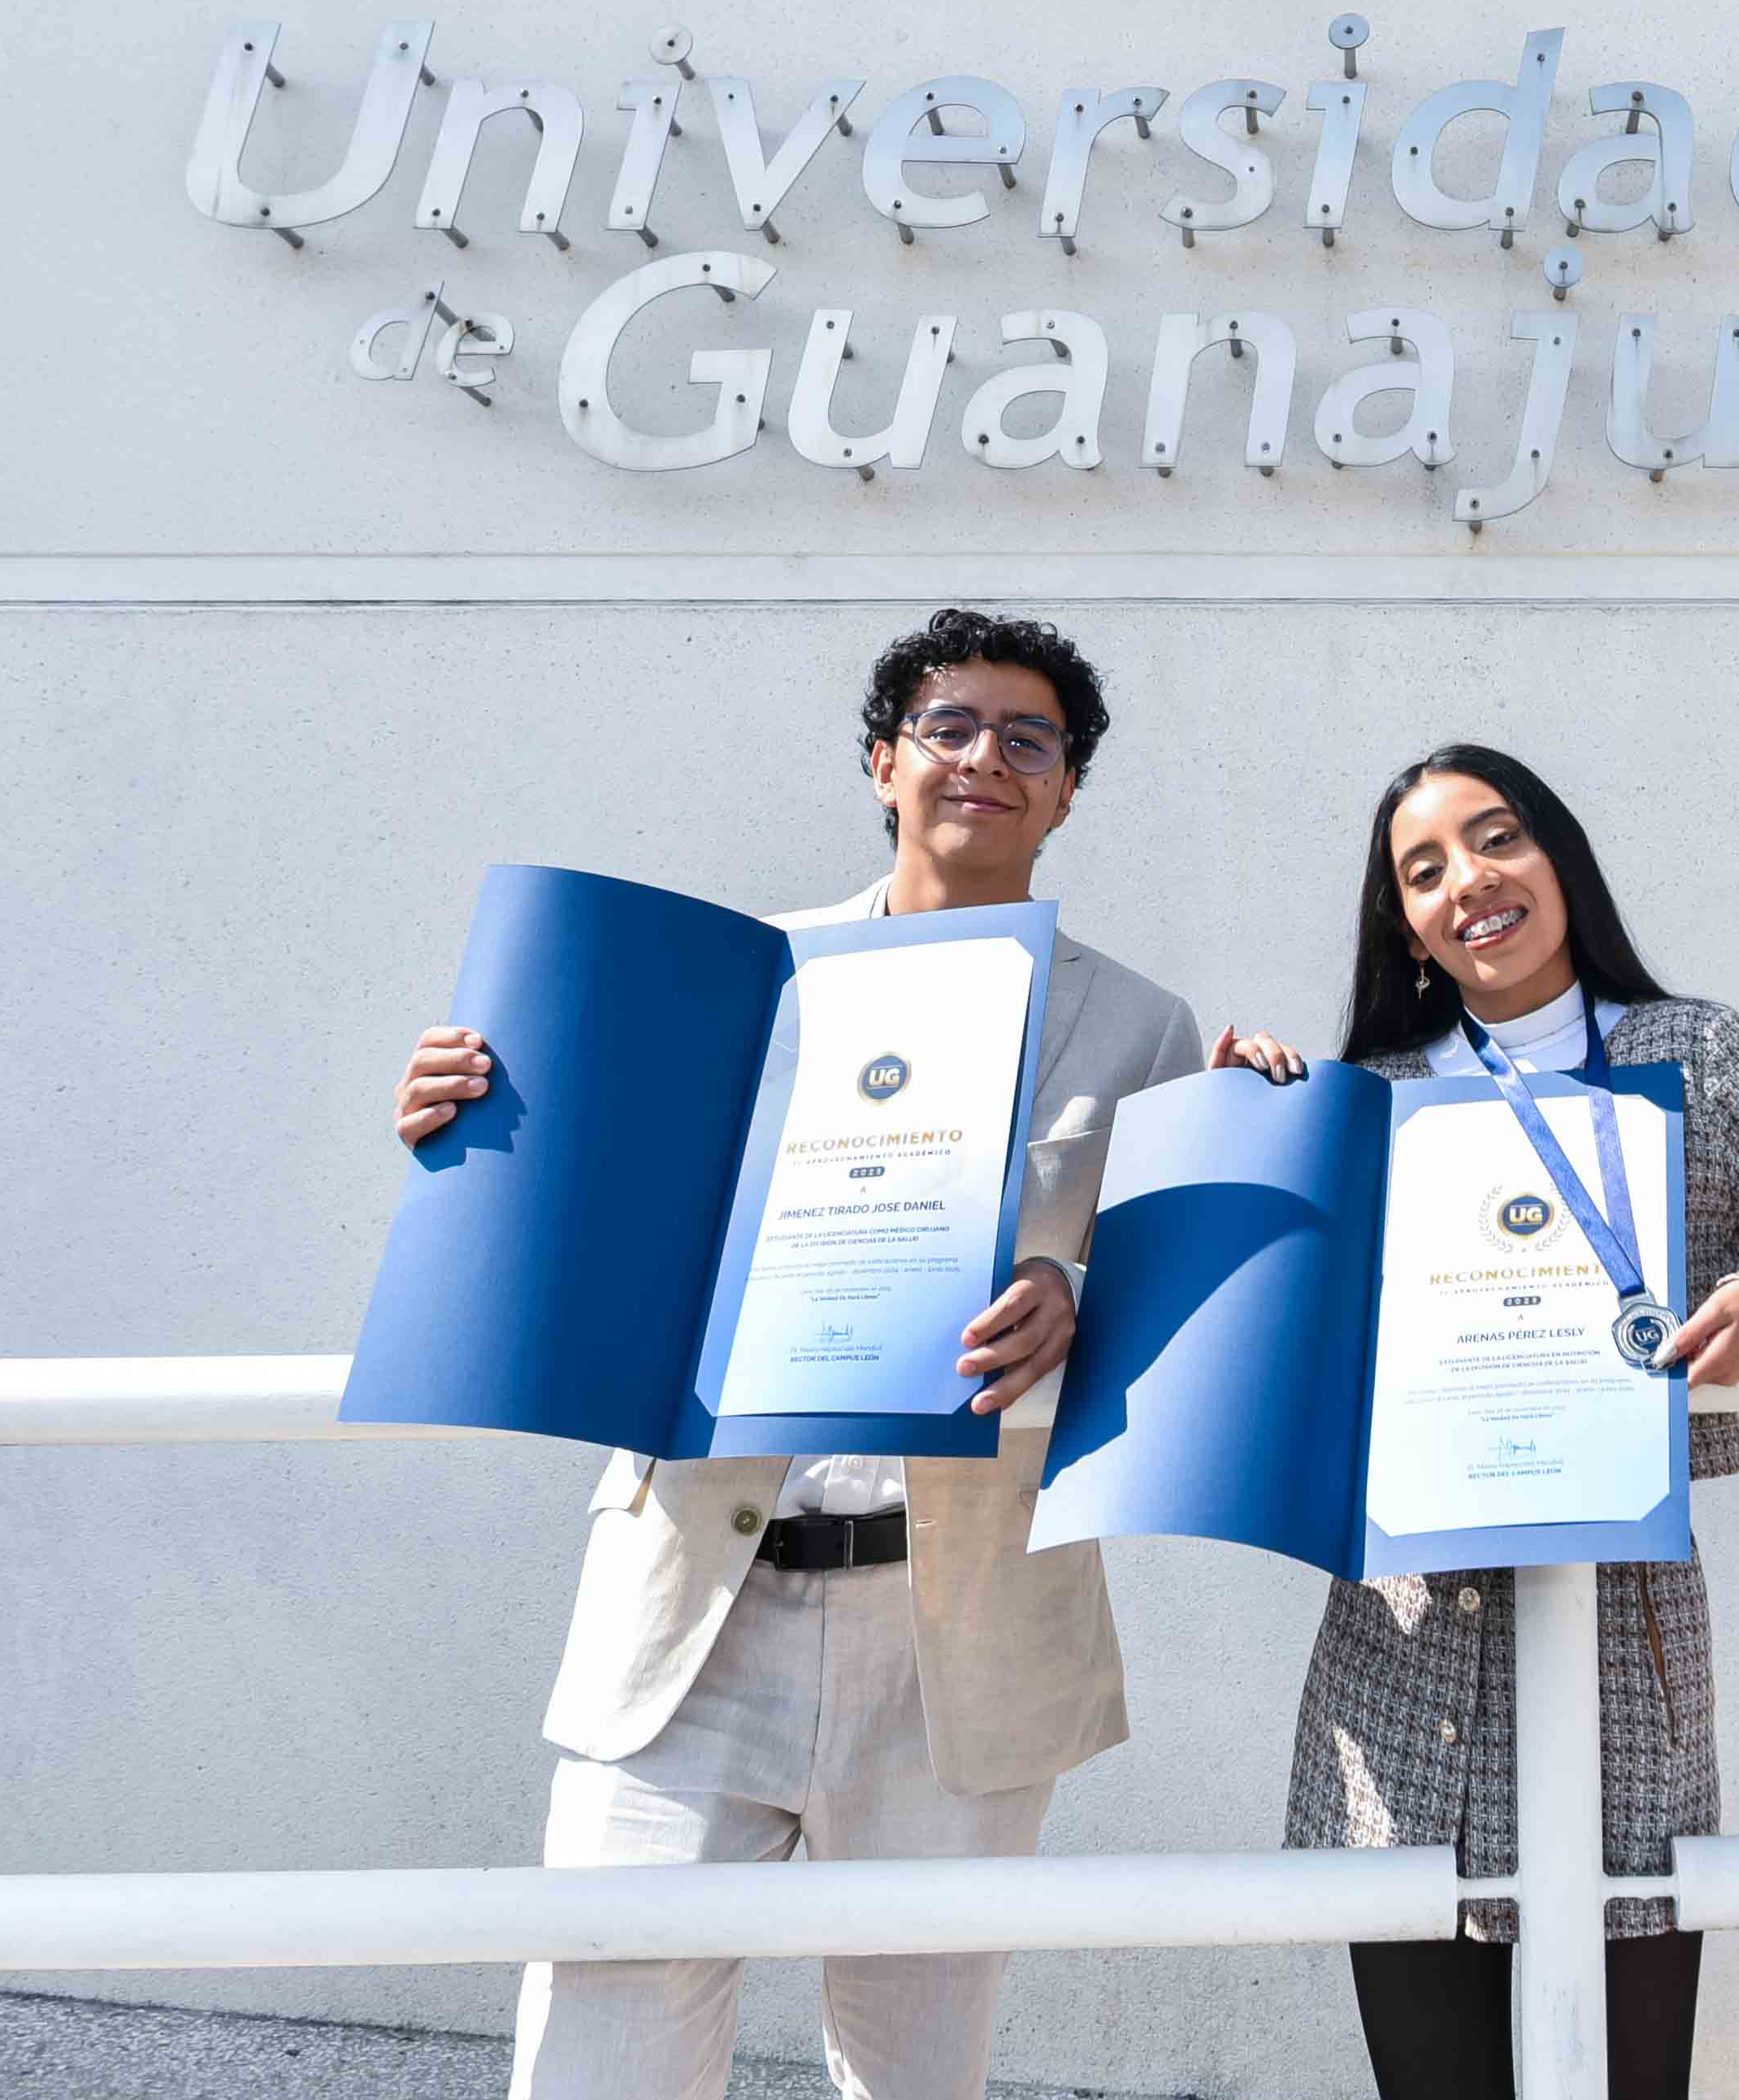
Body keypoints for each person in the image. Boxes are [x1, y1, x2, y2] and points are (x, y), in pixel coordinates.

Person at [388, 609, 1204, 2100]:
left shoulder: (1142, 1027)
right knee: (600, 2050)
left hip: (960, 1632)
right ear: (885, 762)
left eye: (1028, 740)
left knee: (917, 2071)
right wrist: (473, 1126)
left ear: (1067, 791)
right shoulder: (738, 979)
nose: (985, 758)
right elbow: (590, 1206)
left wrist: (1079, 1285)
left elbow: (1174, 1302)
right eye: (949, 727)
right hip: (697, 1594)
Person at [1211, 744, 1739, 2100]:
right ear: (1407, 930)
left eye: (1496, 838)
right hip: (1405, 1660)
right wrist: (1243, 1128)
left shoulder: (1695, 1053)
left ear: (1558, 859)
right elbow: (1262, 1338)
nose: (1468, 880)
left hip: (1621, 1640)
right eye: (1423, 870)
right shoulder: (1366, 1094)